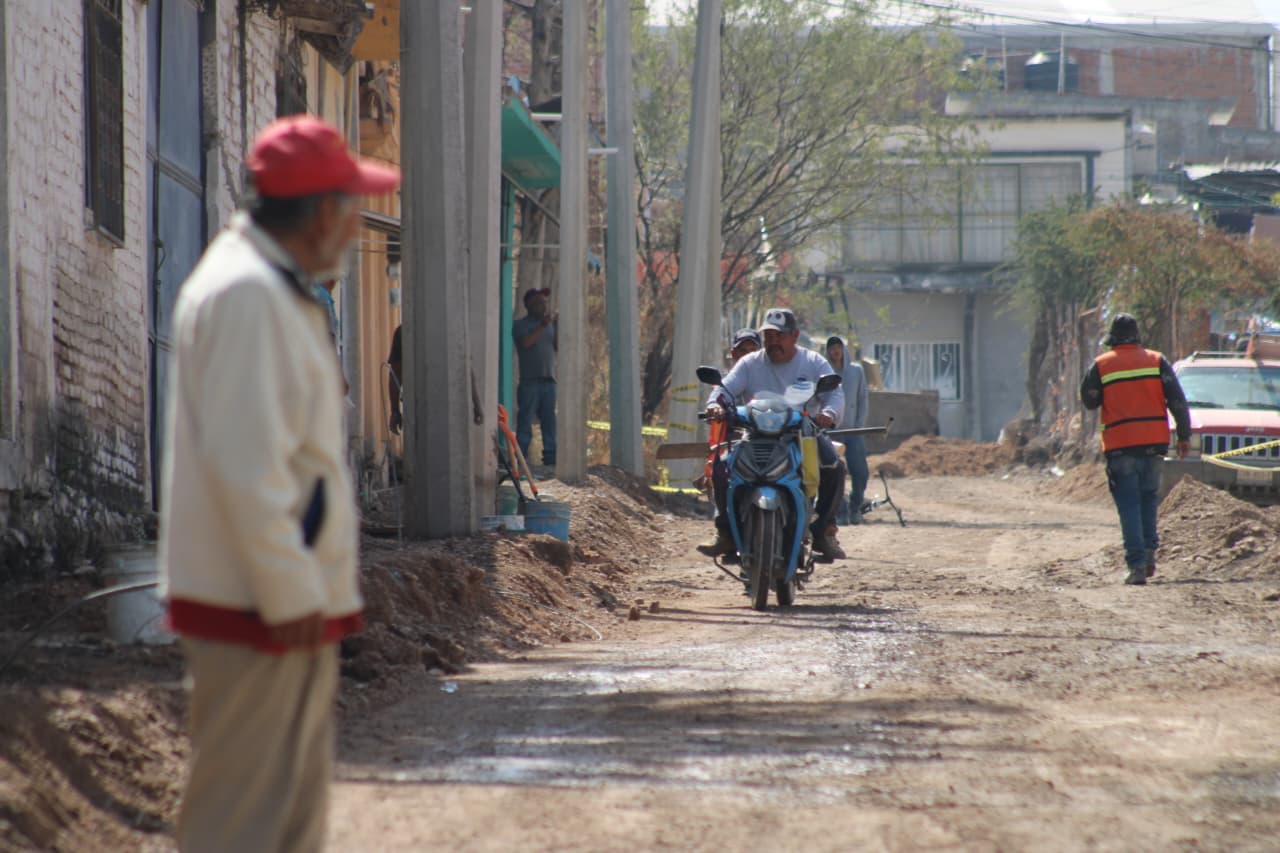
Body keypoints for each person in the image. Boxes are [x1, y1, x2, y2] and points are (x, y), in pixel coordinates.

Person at [159, 114, 399, 853]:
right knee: (240, 819)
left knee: (285, 817)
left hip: (273, 598)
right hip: (257, 603)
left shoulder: (271, 286)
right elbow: (246, 464)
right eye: (351, 208)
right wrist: (290, 588)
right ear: (322, 212)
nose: (354, 227)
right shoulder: (248, 296)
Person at [698, 307, 848, 561]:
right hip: (754, 435)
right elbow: (725, 390)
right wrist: (715, 405)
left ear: (795, 335)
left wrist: (829, 414)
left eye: (780, 335)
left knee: (834, 467)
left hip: (802, 434)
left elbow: (834, 394)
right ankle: (726, 532)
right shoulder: (750, 363)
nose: (773, 342)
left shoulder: (813, 362)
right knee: (721, 467)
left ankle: (824, 530)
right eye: (769, 336)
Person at [1080, 313, 1191, 586]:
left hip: (1120, 446)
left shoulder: (1101, 365)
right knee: (1148, 499)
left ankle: (1137, 565)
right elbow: (1177, 400)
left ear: (1113, 339)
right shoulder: (1156, 361)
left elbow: (1089, 401)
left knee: (1129, 504)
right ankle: (1149, 555)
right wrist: (1184, 435)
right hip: (1154, 444)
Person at [826, 335, 869, 525]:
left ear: (843, 349)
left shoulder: (856, 371)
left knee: (860, 472)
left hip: (854, 431)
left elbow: (863, 398)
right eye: (831, 348)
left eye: (838, 347)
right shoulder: (825, 372)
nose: (835, 351)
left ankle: (855, 508)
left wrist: (859, 425)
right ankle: (840, 510)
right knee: (834, 472)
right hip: (833, 432)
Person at [512, 286, 557, 468]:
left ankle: (551, 459)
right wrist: (542, 326)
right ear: (529, 306)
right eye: (539, 303)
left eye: (545, 303)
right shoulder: (520, 325)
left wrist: (557, 326)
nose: (543, 306)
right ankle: (520, 459)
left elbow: (557, 347)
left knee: (549, 423)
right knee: (525, 423)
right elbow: (526, 343)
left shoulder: (549, 326)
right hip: (529, 383)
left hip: (548, 381)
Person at [387, 323, 403, 435]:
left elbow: (395, 375)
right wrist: (395, 411)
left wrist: (395, 411)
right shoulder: (402, 332)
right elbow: (395, 374)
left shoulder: (403, 331)